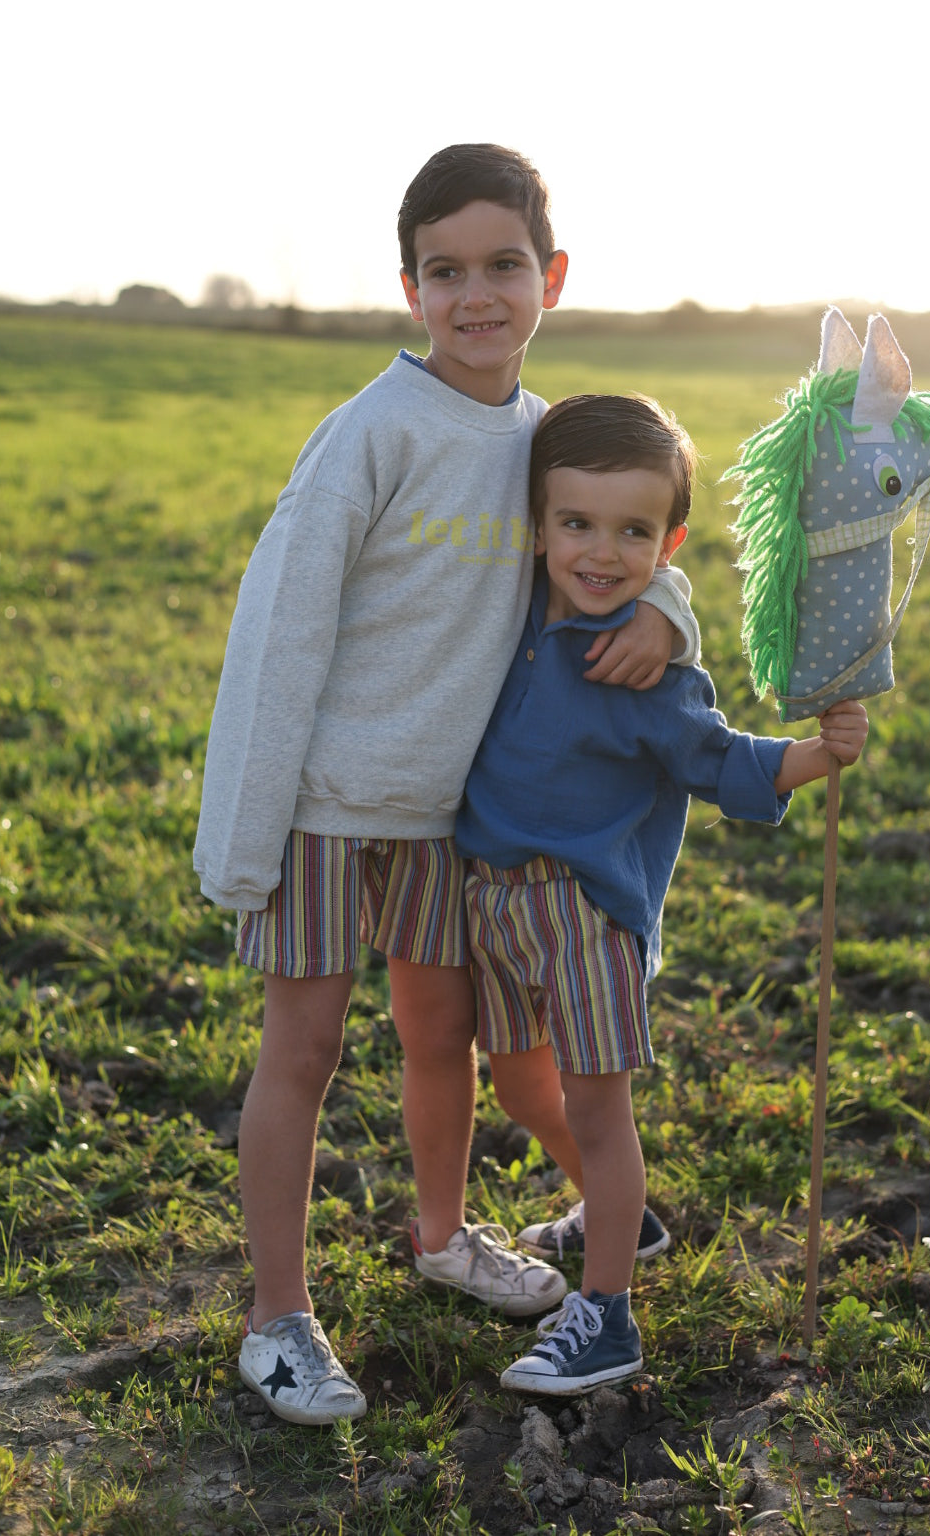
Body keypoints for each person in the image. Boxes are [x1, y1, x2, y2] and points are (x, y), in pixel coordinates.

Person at [193, 146, 701, 1424]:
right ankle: (278, 1318)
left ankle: (441, 1235)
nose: (477, 294)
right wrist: (243, 836)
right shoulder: (370, 435)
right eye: (446, 270)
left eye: (504, 266)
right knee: (301, 1050)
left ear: (552, 278)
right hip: (320, 804)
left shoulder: (542, 442)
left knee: (447, 1042)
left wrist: (678, 620)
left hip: (442, 815)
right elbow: (280, 633)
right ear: (410, 286)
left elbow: (615, 539)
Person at [455, 392, 870, 1396]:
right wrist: (662, 597)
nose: (602, 552)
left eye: (634, 533)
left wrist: (819, 753)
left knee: (601, 1114)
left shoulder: (650, 674)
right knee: (516, 1087)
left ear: (668, 539)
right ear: (539, 528)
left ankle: (606, 1318)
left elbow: (720, 762)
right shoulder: (507, 609)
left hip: (587, 917)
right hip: (491, 906)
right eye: (578, 526)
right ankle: (617, 1218)